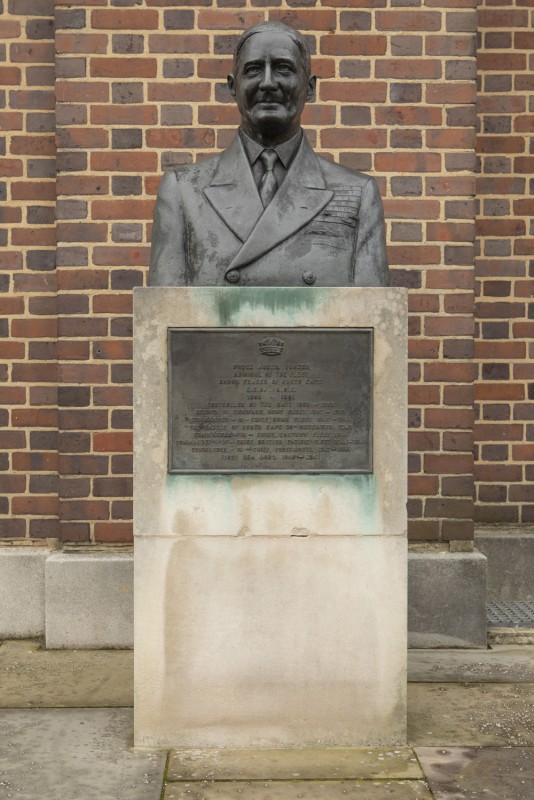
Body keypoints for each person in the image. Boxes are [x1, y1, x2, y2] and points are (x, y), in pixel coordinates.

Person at [149, 21, 388, 287]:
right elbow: (166, 315)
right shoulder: (183, 191)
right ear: (232, 87)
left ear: (309, 87)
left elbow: (369, 319)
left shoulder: (357, 194)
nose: (267, 83)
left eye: (283, 68)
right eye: (252, 70)